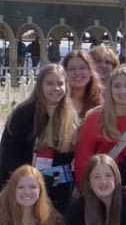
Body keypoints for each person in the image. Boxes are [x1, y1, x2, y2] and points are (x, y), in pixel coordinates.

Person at [0, 64, 79, 212]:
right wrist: (34, 179)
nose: (55, 88)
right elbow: (8, 155)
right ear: (40, 86)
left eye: (60, 83)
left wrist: (55, 180)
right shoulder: (23, 113)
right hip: (23, 188)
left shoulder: (70, 116)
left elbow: (68, 158)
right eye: (49, 83)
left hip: (55, 189)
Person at [73, 67, 126, 187]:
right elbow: (82, 158)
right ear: (110, 90)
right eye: (117, 86)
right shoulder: (95, 118)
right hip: (99, 186)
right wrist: (87, 190)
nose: (123, 91)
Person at [63, 50, 103, 118]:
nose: (77, 72)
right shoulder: (58, 102)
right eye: (72, 69)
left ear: (90, 72)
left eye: (82, 68)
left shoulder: (99, 103)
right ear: (64, 73)